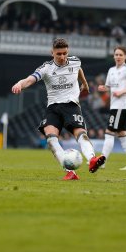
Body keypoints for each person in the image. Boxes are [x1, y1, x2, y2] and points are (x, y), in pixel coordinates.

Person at [11, 38, 105, 180]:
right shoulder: (46, 68)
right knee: (50, 138)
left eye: (64, 53)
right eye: (58, 54)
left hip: (71, 105)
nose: (62, 57)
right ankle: (70, 172)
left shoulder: (75, 61)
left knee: (80, 132)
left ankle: (92, 160)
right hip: (53, 107)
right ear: (52, 53)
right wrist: (20, 83)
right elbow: (30, 79)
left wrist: (84, 84)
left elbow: (78, 69)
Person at [97, 46, 126, 170]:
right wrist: (103, 88)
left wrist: (123, 91)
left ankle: (102, 161)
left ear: (125, 56)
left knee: (109, 132)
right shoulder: (111, 70)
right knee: (122, 134)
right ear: (113, 56)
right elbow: (108, 86)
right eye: (116, 54)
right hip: (114, 106)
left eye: (121, 55)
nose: (118, 57)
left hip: (121, 107)